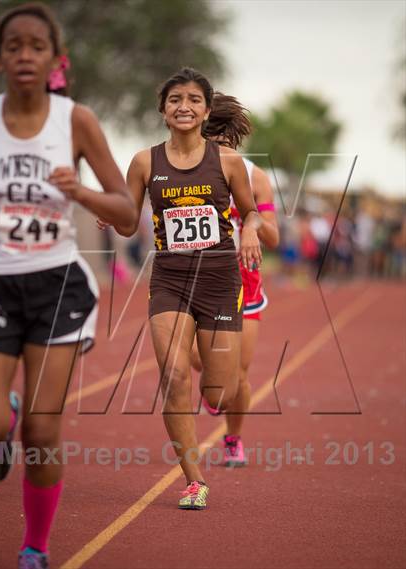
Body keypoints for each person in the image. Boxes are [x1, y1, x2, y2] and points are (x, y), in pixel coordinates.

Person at [0, 3, 136, 568]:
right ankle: (0, 419)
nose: (25, 54)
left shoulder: (75, 120)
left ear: (54, 58)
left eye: (36, 46)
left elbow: (125, 213)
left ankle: (35, 548)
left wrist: (81, 194)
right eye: (14, 45)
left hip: (56, 288)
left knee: (41, 431)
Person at [103, 67, 262, 510]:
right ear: (163, 110)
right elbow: (125, 219)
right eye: (175, 100)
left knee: (219, 391)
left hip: (219, 280)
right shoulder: (143, 162)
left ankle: (212, 384)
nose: (183, 107)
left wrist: (249, 230)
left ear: (206, 110)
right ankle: (194, 480)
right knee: (173, 378)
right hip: (170, 279)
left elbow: (251, 214)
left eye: (193, 100)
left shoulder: (227, 162)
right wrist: (108, 214)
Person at [190, 93, 279, 466]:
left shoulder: (252, 175)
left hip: (244, 286)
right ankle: (213, 382)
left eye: (223, 141)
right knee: (199, 365)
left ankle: (233, 438)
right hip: (193, 281)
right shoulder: (184, 172)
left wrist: (251, 223)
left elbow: (273, 236)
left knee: (238, 376)